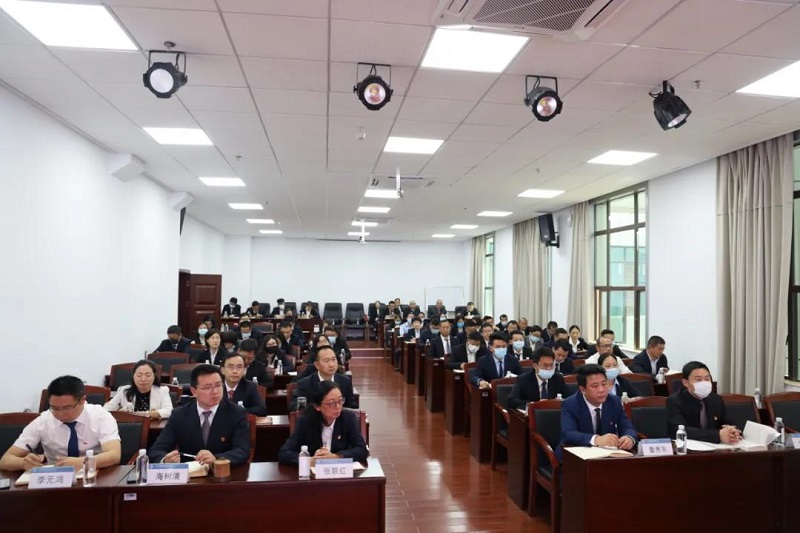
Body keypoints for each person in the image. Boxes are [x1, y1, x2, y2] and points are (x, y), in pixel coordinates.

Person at [0, 376, 121, 471]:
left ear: (82, 400)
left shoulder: (100, 416)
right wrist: (23, 463)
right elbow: (5, 460)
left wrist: (84, 462)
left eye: (67, 408)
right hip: (55, 477)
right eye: (55, 408)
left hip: (93, 475)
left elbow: (114, 455)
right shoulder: (43, 421)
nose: (61, 414)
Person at [147, 364, 251, 466]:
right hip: (189, 473)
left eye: (218, 385)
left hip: (223, 473)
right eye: (207, 387)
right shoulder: (179, 415)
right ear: (194, 391)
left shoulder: (236, 413)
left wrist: (216, 458)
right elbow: (156, 450)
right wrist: (165, 460)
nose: (215, 391)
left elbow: (242, 451)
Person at [556, 364, 638, 462]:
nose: (601, 390)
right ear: (583, 389)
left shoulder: (614, 401)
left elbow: (627, 427)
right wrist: (596, 439)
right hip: (576, 457)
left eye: (604, 384)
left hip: (608, 457)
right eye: (595, 386)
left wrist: (629, 438)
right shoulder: (570, 404)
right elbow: (568, 433)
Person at [277, 381, 369, 466]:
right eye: (332, 403)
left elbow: (362, 450)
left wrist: (336, 457)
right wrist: (308, 461)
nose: (338, 407)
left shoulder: (348, 418)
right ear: (317, 406)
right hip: (314, 474)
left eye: (340, 401)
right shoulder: (305, 421)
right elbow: (284, 453)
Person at [666, 361, 741, 444]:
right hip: (690, 447)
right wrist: (718, 435)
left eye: (707, 379)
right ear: (685, 382)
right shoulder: (675, 401)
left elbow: (729, 422)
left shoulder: (716, 399)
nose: (704, 383)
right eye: (698, 380)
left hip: (716, 447)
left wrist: (733, 432)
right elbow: (678, 430)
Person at [290, 346, 356, 411]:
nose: (331, 365)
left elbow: (352, 407)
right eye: (326, 361)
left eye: (333, 359)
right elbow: (294, 406)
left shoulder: (345, 381)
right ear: (317, 365)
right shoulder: (305, 384)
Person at [104, 359, 173, 419]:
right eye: (139, 375)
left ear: (154, 376)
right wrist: (119, 413)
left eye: (148, 375)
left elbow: (169, 411)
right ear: (133, 376)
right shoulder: (123, 390)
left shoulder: (162, 391)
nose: (143, 379)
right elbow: (106, 409)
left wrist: (142, 414)